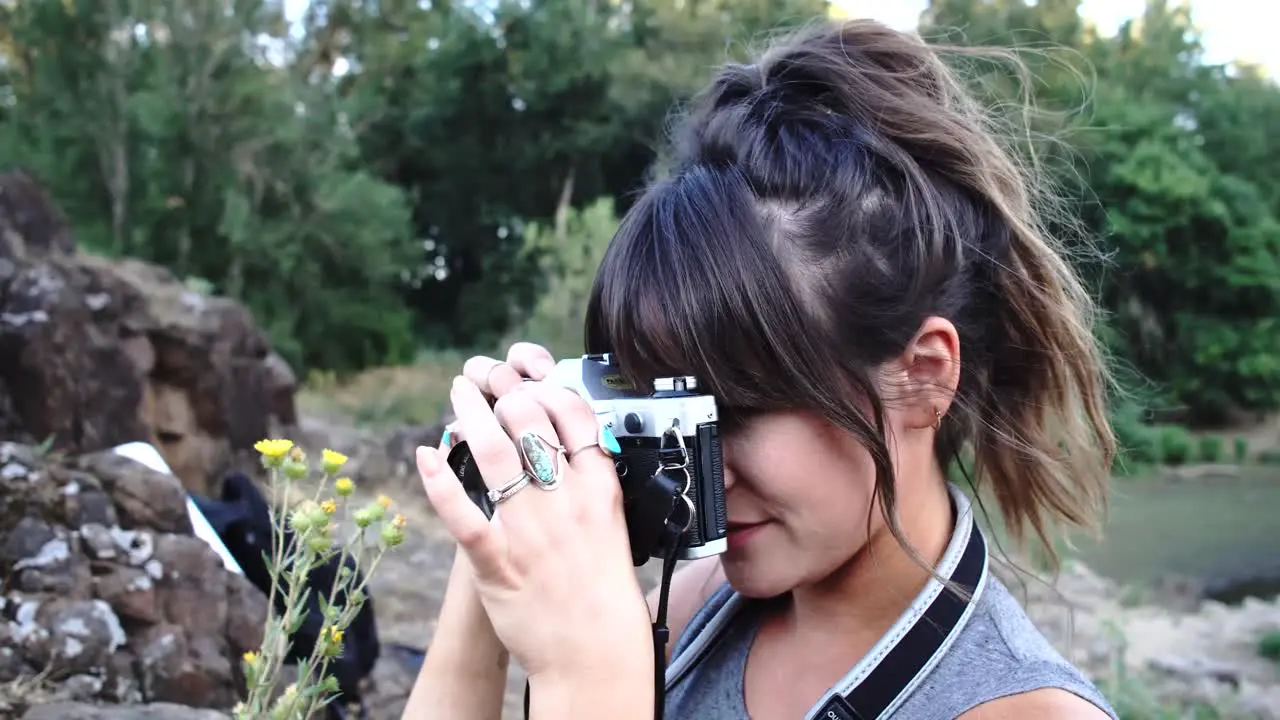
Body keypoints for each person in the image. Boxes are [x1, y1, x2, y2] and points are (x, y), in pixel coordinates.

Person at [404, 17, 1119, 720]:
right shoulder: (690, 610)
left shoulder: (1020, 708)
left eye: (737, 413)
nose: (702, 472)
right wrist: (491, 542)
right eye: (674, 413)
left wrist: (587, 682)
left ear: (923, 377)